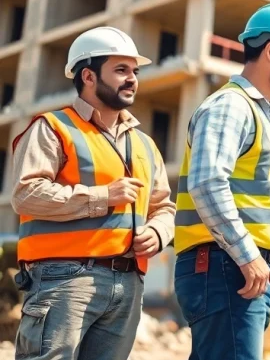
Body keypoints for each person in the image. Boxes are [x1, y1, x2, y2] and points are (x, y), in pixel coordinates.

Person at [10, 26, 175, 360]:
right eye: (121, 70)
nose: (132, 79)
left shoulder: (145, 144)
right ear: (88, 75)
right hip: (63, 278)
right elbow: (26, 193)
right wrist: (102, 197)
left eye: (135, 71)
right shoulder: (53, 128)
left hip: (128, 282)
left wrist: (158, 233)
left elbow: (163, 207)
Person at [174, 2, 270, 360]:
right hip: (227, 267)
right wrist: (249, 256)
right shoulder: (232, 106)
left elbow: (256, 198)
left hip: (236, 268)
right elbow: (207, 183)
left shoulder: (256, 114)